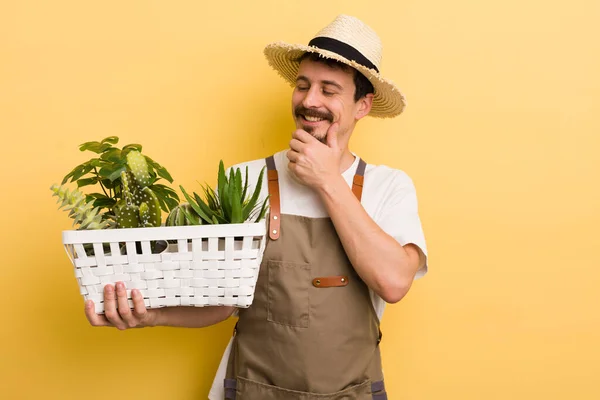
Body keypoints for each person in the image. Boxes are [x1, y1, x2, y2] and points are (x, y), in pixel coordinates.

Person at [85, 14, 428, 400]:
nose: (309, 101)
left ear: (362, 105)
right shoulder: (243, 182)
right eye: (302, 86)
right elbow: (221, 301)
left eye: (329, 90)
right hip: (251, 390)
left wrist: (328, 180)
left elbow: (395, 282)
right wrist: (151, 315)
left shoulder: (389, 186)